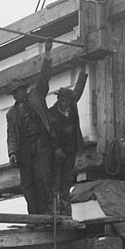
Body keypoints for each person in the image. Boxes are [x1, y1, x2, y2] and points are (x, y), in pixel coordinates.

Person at [6, 40, 55, 215]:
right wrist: (12, 153)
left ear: (23, 90)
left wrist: (47, 54)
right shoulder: (11, 114)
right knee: (27, 184)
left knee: (43, 178)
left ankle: (46, 213)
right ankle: (34, 216)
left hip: (40, 143)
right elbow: (12, 135)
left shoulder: (36, 96)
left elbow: (44, 78)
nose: (16, 95)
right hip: (24, 149)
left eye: (18, 91)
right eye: (13, 93)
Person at [47, 62, 88, 216]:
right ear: (58, 99)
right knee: (55, 183)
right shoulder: (51, 113)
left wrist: (83, 70)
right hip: (57, 155)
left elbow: (78, 90)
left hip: (70, 152)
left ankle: (65, 212)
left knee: (66, 182)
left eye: (67, 101)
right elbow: (47, 134)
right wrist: (55, 149)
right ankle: (54, 213)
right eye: (62, 101)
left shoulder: (72, 107)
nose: (64, 104)